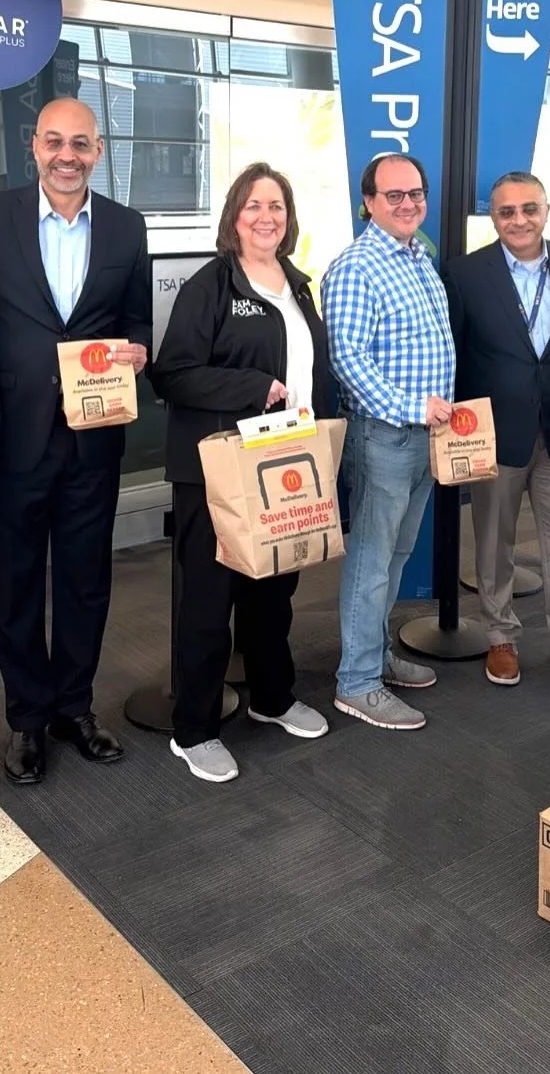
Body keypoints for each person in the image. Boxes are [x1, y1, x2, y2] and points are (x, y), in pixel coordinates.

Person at [0, 97, 152, 786]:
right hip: (12, 435)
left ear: (99, 150)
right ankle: (26, 718)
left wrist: (138, 351)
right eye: (56, 142)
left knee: (87, 582)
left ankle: (74, 707)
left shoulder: (126, 227)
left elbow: (137, 320)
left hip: (93, 437)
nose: (68, 155)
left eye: (82, 144)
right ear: (34, 145)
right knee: (15, 584)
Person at [150, 163, 331, 783]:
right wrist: (253, 385)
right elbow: (171, 373)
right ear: (233, 216)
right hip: (218, 466)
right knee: (208, 597)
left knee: (273, 592)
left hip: (284, 461)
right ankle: (193, 728)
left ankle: (271, 698)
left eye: (277, 206)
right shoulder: (212, 285)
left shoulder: (298, 284)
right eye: (254, 206)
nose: (266, 217)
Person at [444, 172, 550, 689]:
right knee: (494, 542)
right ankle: (501, 637)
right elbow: (459, 350)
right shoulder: (466, 274)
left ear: (546, 210)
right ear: (493, 218)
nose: (519, 220)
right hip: (495, 431)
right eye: (506, 212)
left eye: (528, 209)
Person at [320, 153, 455, 731]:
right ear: (369, 201)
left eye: (415, 193)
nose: (408, 204)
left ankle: (372, 656)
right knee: (373, 562)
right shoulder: (357, 266)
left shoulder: (417, 257)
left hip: (426, 437)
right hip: (385, 436)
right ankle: (356, 682)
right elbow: (347, 359)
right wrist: (409, 407)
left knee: (396, 555)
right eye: (393, 195)